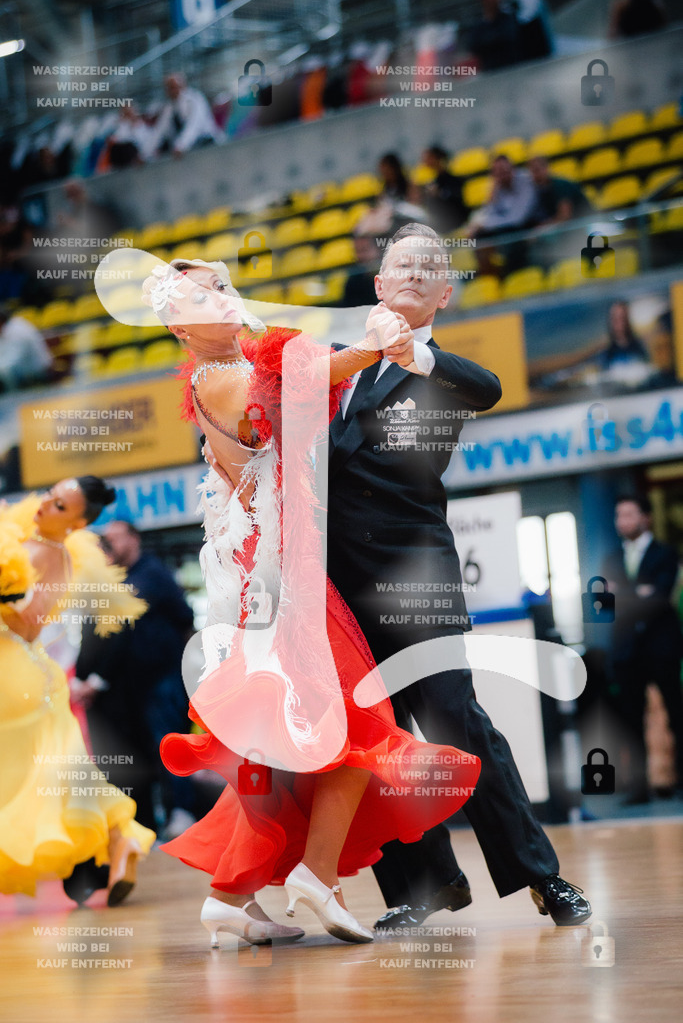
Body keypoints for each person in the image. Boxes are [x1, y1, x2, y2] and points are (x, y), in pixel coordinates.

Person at [116, 253, 482, 947]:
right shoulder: (220, 378)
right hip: (277, 583)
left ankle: (236, 895)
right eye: (200, 297)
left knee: (291, 746)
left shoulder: (237, 367)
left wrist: (370, 347)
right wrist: (372, 346)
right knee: (349, 722)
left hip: (292, 571)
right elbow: (296, 390)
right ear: (176, 327)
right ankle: (310, 879)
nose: (221, 300)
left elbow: (299, 396)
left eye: (223, 286)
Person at [326, 222, 592, 929]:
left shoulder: (441, 372)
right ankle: (425, 885)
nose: (411, 272)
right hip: (339, 591)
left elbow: (487, 387)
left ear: (443, 292)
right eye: (398, 264)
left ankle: (543, 878)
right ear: (377, 285)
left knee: (455, 724)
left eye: (427, 267)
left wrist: (414, 354)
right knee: (372, 740)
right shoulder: (334, 369)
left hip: (415, 578)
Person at [0, 476, 155, 905]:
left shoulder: (47, 555)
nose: (45, 505)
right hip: (25, 676)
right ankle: (120, 839)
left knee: (39, 778)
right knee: (63, 775)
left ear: (76, 523)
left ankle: (111, 845)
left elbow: (28, 625)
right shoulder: (36, 542)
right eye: (50, 496)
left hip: (16, 675)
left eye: (60, 507)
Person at [74, 520, 198, 838]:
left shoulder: (149, 574)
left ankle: (182, 813)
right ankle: (164, 816)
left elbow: (176, 618)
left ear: (133, 539)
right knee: (153, 748)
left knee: (168, 743)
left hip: (163, 680)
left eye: (115, 538)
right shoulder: (126, 578)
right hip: (141, 685)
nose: (110, 544)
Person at [602, 495, 683, 803]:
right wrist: (640, 593)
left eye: (629, 514)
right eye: (618, 515)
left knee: (676, 714)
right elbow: (604, 604)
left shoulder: (665, 553)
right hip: (626, 650)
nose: (623, 521)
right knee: (631, 720)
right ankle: (638, 788)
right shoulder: (611, 558)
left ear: (646, 517)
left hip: (661, 647)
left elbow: (661, 597)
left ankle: (679, 779)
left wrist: (624, 593)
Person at [151, 74, 223, 157]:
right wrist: (144, 154)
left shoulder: (195, 99)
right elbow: (159, 130)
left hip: (207, 142)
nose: (171, 91)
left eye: (173, 87)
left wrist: (181, 145)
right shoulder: (169, 107)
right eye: (169, 88)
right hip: (190, 147)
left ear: (182, 86)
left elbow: (194, 125)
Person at [0, 305, 53, 390]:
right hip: (26, 374)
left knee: (6, 377)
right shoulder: (8, 327)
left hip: (39, 375)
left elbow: (13, 361)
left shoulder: (17, 330)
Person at [527, 156, 592, 226]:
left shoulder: (561, 185)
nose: (535, 175)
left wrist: (544, 228)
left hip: (584, 224)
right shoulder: (540, 191)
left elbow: (565, 216)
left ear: (546, 168)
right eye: (532, 171)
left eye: (537, 170)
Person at [420, 146, 468, 234]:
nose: (426, 162)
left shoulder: (454, 179)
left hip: (457, 219)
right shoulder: (433, 182)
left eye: (429, 158)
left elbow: (458, 199)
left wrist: (440, 193)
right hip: (440, 222)